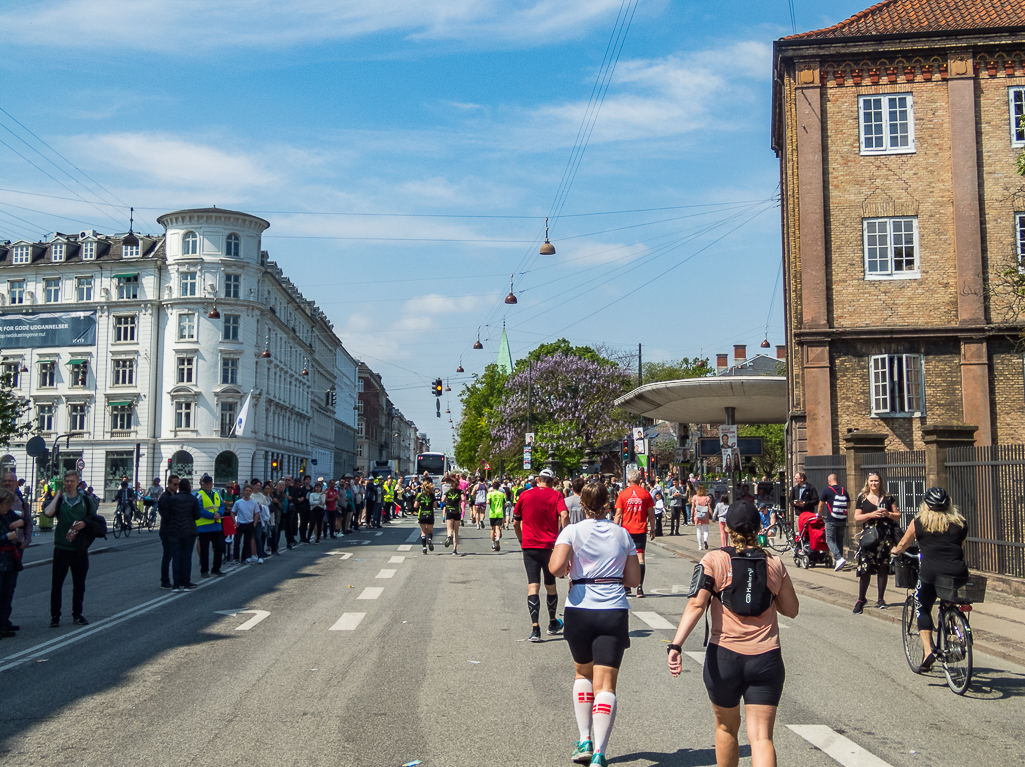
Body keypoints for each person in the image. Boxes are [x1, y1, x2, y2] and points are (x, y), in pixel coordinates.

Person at [666, 501, 800, 767]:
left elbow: (696, 604)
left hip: (724, 657)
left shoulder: (714, 560)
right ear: (759, 528)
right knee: (761, 738)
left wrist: (676, 645)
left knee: (726, 729)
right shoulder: (774, 563)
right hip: (766, 658)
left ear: (726, 527)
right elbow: (791, 610)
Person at [550, 482, 640, 767]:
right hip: (613, 609)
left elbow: (554, 568)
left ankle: (584, 739)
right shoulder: (622, 534)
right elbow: (634, 580)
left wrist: (569, 566)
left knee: (582, 674)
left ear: (582, 503)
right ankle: (600, 752)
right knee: (607, 684)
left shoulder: (572, 531)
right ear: (608, 503)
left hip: (579, 608)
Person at [892, 487, 969, 673]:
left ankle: (928, 652)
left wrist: (895, 551)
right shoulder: (960, 522)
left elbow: (904, 544)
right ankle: (952, 624)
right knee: (948, 599)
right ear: (949, 504)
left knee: (921, 605)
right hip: (957, 572)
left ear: (926, 505)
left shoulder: (919, 522)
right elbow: (961, 545)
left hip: (931, 573)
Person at [514, 467, 568, 642]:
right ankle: (552, 622)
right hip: (549, 546)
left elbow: (516, 521)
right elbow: (564, 514)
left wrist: (521, 539)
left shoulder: (525, 495)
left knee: (533, 586)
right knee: (550, 585)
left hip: (529, 545)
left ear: (538, 480)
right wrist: (564, 534)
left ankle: (535, 628)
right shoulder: (556, 496)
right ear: (552, 482)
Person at [43, 470, 102, 627]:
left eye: (71, 481)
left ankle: (77, 614)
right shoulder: (60, 500)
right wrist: (57, 495)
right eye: (66, 481)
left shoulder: (85, 500)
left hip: (79, 548)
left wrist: (85, 523)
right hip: (62, 547)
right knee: (57, 584)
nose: (68, 484)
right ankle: (55, 616)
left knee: (79, 584)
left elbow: (93, 518)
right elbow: (47, 513)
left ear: (78, 482)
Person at [852, 472, 900, 613]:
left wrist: (888, 514)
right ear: (867, 482)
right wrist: (871, 515)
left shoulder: (888, 497)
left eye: (876, 481)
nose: (874, 483)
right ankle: (861, 599)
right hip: (868, 537)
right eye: (871, 481)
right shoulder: (862, 498)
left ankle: (880, 598)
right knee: (865, 569)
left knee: (882, 568)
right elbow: (857, 517)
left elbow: (897, 516)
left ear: (881, 482)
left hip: (884, 538)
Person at [613, 470, 655, 598]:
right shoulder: (646, 494)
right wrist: (653, 529)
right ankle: (640, 588)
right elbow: (651, 515)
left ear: (629, 480)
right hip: (641, 530)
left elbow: (618, 514)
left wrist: (614, 529)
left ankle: (626, 586)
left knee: (624, 558)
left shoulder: (623, 494)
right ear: (640, 480)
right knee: (640, 558)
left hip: (626, 531)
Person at [162, 478, 200, 591]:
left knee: (176, 557)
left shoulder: (172, 499)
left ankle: (176, 584)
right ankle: (186, 582)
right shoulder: (193, 499)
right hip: (189, 530)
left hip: (174, 531)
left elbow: (167, 515)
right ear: (189, 487)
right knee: (187, 557)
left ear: (179, 487)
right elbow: (197, 516)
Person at [0, 487, 26, 637]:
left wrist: (20, 522)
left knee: (7, 593)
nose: (8, 509)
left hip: (9, 560)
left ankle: (3, 623)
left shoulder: (8, 513)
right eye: (6, 506)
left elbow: (21, 520)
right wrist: (6, 536)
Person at [817, 474, 850, 571]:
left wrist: (819, 515)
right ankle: (839, 562)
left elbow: (821, 505)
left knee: (830, 540)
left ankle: (839, 558)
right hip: (842, 519)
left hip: (831, 519)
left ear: (829, 481)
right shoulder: (844, 491)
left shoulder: (827, 490)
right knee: (839, 541)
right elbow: (848, 505)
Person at [196, 474, 226, 577]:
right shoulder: (199, 495)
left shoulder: (216, 493)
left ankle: (216, 568)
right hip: (204, 526)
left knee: (220, 547)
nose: (209, 485)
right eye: (207, 483)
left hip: (216, 526)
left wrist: (220, 514)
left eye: (210, 483)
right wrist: (212, 516)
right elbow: (199, 510)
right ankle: (204, 570)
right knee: (204, 550)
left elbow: (222, 505)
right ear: (203, 484)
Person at [157, 475, 180, 588]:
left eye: (178, 485)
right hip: (167, 530)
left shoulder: (176, 496)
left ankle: (176, 579)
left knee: (175, 555)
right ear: (169, 484)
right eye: (175, 484)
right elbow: (165, 515)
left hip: (175, 529)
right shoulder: (165, 497)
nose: (176, 487)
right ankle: (165, 580)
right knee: (167, 555)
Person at [233, 484, 261, 563]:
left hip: (249, 524)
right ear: (243, 491)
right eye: (246, 491)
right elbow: (233, 512)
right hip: (240, 524)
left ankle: (244, 558)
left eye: (249, 491)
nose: (248, 492)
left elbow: (257, 513)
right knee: (237, 541)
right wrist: (234, 522)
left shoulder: (253, 503)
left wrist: (255, 523)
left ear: (251, 492)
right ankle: (236, 558)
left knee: (247, 542)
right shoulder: (238, 502)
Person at [442, 475, 464, 555]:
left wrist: (447, 502)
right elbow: (463, 499)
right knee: (456, 531)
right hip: (457, 511)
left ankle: (448, 536)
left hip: (449, 510)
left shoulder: (448, 492)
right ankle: (454, 549)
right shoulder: (460, 492)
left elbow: (443, 500)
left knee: (449, 529)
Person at [690, 483, 714, 552]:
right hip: (705, 514)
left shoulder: (695, 497)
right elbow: (709, 508)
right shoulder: (707, 498)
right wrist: (712, 516)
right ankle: (705, 540)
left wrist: (691, 516)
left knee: (698, 530)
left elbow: (692, 507)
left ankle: (700, 546)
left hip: (697, 514)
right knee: (706, 530)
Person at [415, 480, 437, 554]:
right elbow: (435, 505)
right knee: (430, 531)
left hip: (422, 515)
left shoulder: (420, 495)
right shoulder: (432, 495)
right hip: (430, 514)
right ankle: (429, 539)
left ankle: (424, 548)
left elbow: (415, 505)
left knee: (423, 532)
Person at [487, 479, 506, 550]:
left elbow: (488, 502)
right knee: (498, 528)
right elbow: (505, 503)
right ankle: (497, 538)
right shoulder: (501, 494)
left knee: (492, 529)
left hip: (492, 513)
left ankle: (493, 544)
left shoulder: (490, 494)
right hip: (500, 512)